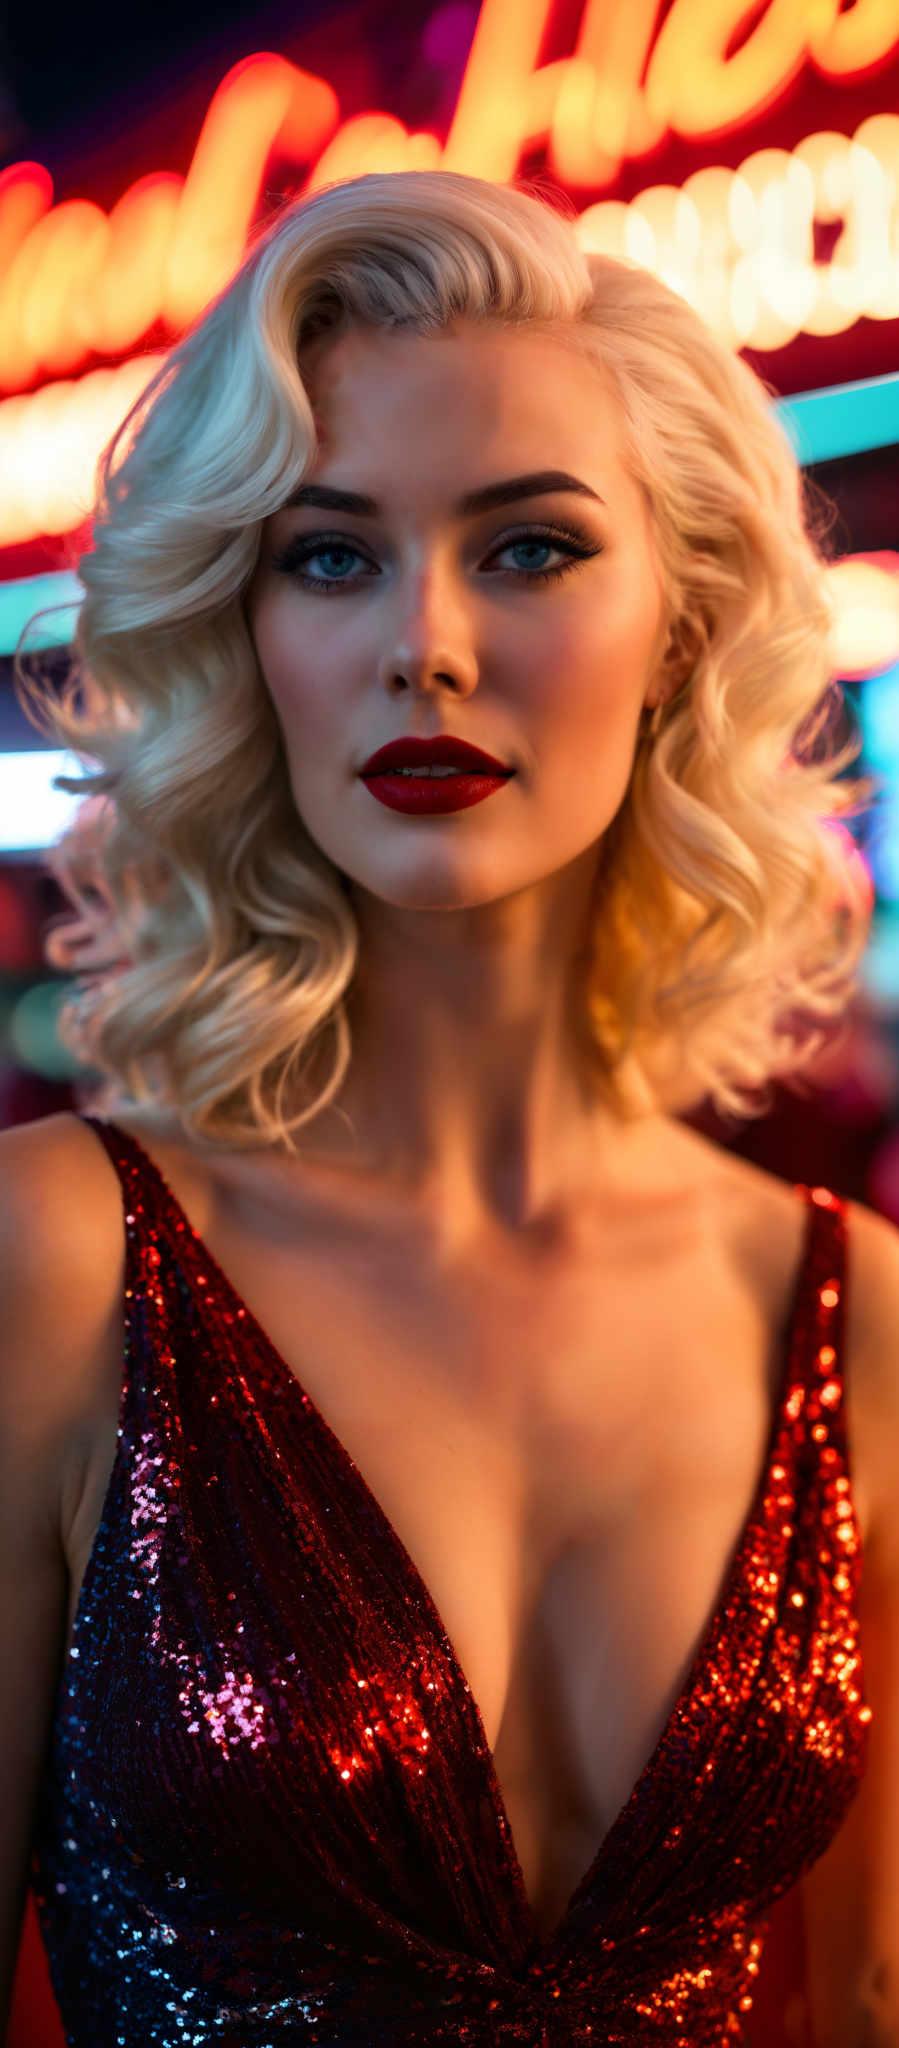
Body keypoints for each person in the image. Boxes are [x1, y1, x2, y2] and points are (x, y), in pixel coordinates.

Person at [1, 167, 894, 2047]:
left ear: (684, 620)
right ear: (246, 637)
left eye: (530, 546)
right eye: (329, 556)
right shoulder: (57, 1269)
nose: (426, 640)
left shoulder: (861, 1322)